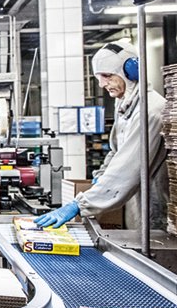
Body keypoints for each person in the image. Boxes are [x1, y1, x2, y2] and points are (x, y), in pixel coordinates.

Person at [36, 42, 167, 230]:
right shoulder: (126, 104)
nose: (102, 84)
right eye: (99, 77)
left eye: (107, 76)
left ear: (131, 71)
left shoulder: (149, 111)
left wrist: (79, 204)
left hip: (154, 207)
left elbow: (127, 169)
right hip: (135, 204)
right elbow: (116, 150)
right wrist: (102, 174)